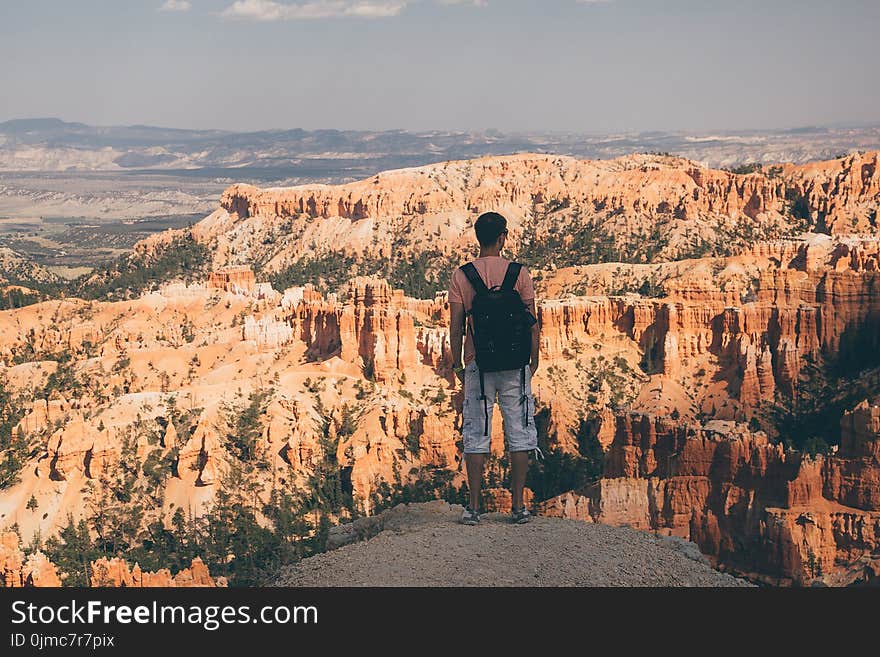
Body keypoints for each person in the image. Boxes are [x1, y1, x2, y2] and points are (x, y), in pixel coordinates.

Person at [448, 211, 540, 525]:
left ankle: (473, 508)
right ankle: (518, 507)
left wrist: (457, 362)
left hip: (479, 364)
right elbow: (532, 321)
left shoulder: (462, 276)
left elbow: (456, 324)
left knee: (476, 431)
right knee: (520, 432)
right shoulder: (519, 273)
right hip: (516, 364)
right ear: (502, 238)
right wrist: (534, 359)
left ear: (478, 238)